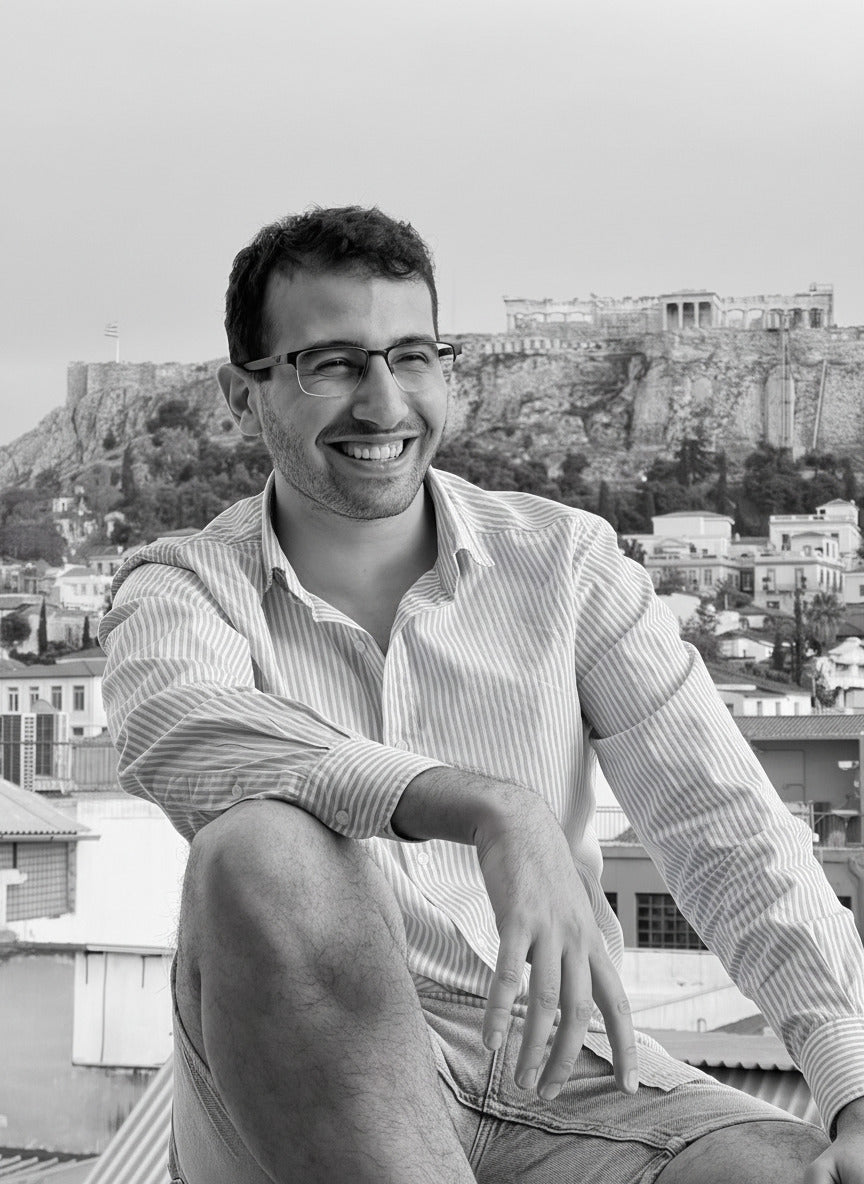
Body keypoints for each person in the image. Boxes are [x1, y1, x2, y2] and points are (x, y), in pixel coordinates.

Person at [99, 206, 864, 1184]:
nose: (383, 403)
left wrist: (854, 1086)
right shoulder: (183, 586)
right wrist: (487, 805)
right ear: (241, 395)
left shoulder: (568, 563)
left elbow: (725, 825)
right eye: (331, 364)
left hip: (571, 1075)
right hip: (309, 1073)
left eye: (412, 356)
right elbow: (179, 727)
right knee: (259, 846)